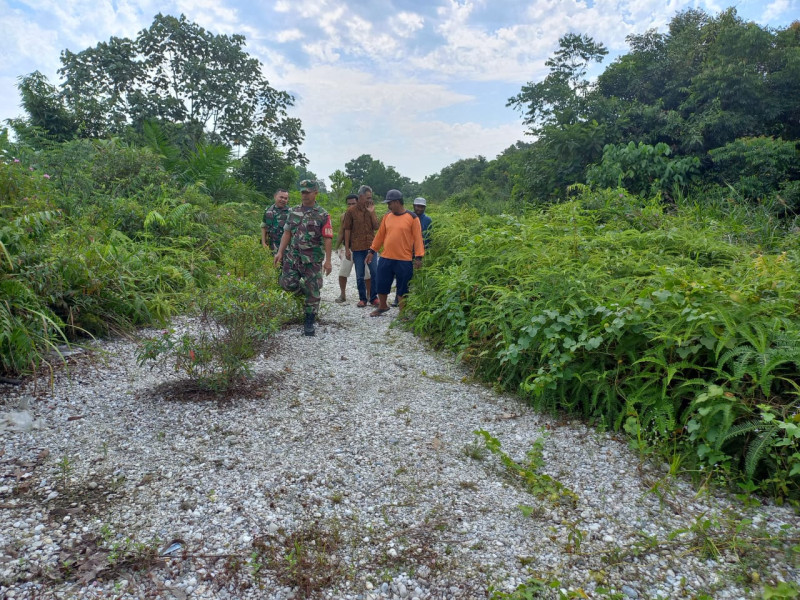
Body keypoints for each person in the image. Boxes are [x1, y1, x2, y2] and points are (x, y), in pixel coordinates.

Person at [274, 180, 333, 336]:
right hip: (293, 257)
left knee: (313, 292)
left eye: (307, 192)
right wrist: (280, 252)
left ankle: (309, 320)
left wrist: (328, 261)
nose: (304, 195)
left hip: (312, 260)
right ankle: (306, 292)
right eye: (302, 192)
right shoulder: (293, 211)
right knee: (286, 283)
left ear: (315, 193)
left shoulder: (323, 214)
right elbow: (287, 233)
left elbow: (328, 238)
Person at [366, 189, 424, 317]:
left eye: (390, 203)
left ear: (397, 202)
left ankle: (402, 313)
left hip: (404, 259)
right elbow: (380, 235)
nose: (388, 206)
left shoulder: (412, 218)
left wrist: (419, 257)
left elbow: (418, 238)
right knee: (381, 282)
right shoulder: (387, 216)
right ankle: (382, 306)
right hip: (386, 257)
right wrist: (372, 250)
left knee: (403, 286)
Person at [341, 185, 380, 307]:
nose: (370, 200)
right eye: (368, 197)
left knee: (374, 272)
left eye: (371, 197)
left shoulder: (371, 210)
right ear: (361, 196)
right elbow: (347, 230)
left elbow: (376, 226)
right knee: (360, 275)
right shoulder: (351, 211)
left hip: (371, 247)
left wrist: (372, 213)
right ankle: (362, 298)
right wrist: (347, 249)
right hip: (357, 248)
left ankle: (373, 297)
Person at [334, 193, 371, 302]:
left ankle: (369, 295)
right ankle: (342, 294)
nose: (351, 206)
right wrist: (337, 247)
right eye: (349, 204)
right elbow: (342, 232)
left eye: (353, 203)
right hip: (349, 248)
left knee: (367, 273)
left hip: (363, 248)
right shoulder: (344, 216)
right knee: (343, 272)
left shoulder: (365, 214)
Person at [261, 189, 290, 254]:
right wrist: (263, 242)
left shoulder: (291, 212)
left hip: (285, 249)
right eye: (281, 197)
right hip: (269, 247)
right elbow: (263, 227)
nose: (283, 200)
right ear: (275, 196)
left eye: (285, 198)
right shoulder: (268, 210)